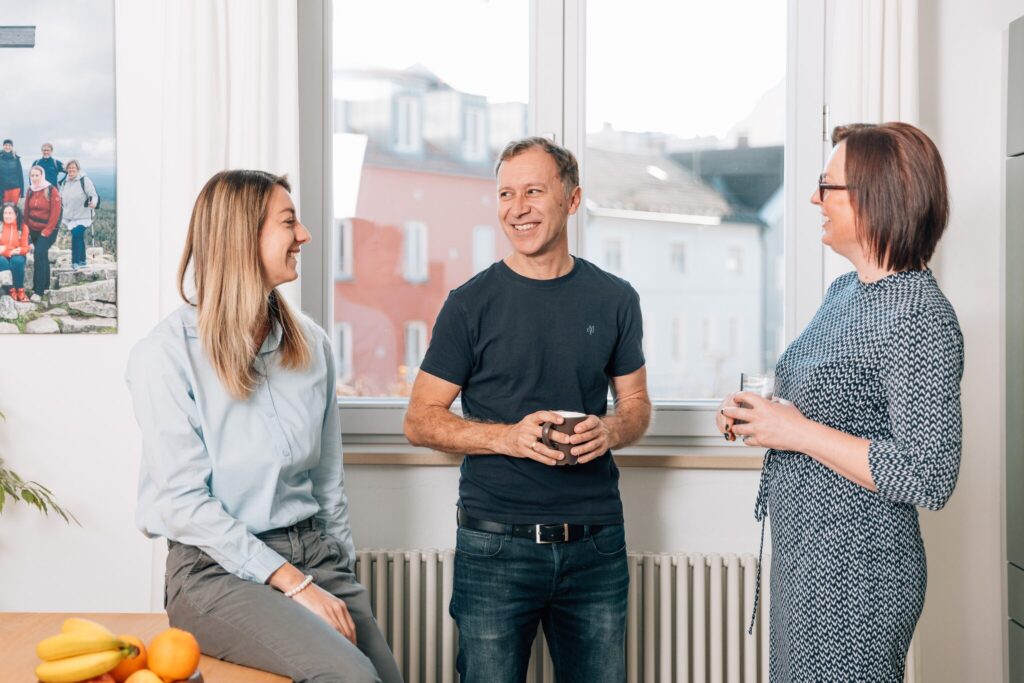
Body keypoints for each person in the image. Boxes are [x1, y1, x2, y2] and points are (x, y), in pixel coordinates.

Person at [125, 170, 402, 683]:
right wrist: (295, 584)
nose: (305, 236)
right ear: (242, 235)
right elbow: (183, 503)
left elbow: (327, 482)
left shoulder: (312, 344)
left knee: (385, 677)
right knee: (352, 680)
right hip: (214, 571)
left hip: (311, 552)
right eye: (289, 222)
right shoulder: (164, 357)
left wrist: (338, 574)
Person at [717, 122, 964, 682]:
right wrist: (761, 416)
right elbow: (826, 405)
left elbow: (929, 476)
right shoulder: (844, 292)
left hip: (858, 574)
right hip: (807, 560)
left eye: (826, 186)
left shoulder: (919, 316)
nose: (813, 199)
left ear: (878, 195)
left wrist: (796, 432)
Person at [404, 137, 652, 683]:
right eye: (506, 194)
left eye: (534, 191)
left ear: (573, 199)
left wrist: (610, 430)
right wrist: (506, 438)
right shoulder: (469, 304)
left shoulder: (615, 299)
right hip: (495, 547)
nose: (518, 208)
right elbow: (419, 418)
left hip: (596, 544)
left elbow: (635, 405)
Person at [23, 165, 61, 301]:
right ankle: (45, 286)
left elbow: (56, 213)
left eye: (37, 175)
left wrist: (48, 230)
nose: (34, 178)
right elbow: (26, 211)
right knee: (42, 255)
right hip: (33, 229)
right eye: (32, 176)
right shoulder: (30, 190)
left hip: (48, 230)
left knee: (38, 255)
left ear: (42, 175)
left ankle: (37, 292)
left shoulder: (51, 190)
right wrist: (25, 228)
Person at [59, 160, 98, 269]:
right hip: (70, 216)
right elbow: (60, 195)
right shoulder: (65, 182)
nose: (71, 170)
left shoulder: (84, 180)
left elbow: (93, 195)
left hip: (83, 215)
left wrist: (93, 203)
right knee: (79, 237)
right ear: (67, 170)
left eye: (73, 168)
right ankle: (82, 260)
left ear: (78, 169)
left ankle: (75, 261)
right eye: (69, 168)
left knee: (76, 235)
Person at [0, 202, 29, 301]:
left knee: (17, 261)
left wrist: (16, 250)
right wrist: (9, 251)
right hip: (3, 255)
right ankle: (11, 289)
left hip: (17, 254)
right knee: (2, 261)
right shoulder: (0, 227)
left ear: (16, 214)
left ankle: (20, 290)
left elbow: (25, 248)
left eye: (10, 213)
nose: (7, 216)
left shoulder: (23, 227)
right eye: (5, 213)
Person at [0, 139, 24, 205]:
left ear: (12, 147)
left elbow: (20, 175)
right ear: (3, 146)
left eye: (9, 145)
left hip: (15, 189)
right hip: (2, 189)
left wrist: (22, 192)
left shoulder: (16, 158)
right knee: (3, 209)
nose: (7, 147)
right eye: (6, 145)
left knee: (13, 208)